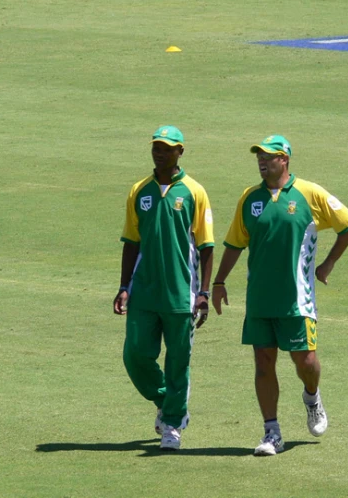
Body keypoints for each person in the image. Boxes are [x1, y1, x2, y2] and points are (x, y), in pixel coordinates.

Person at [212, 135, 348, 456]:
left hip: (298, 300)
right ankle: (271, 432)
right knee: (264, 365)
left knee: (305, 361)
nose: (262, 162)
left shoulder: (309, 193)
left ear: (285, 160)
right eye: (259, 158)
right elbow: (235, 243)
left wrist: (328, 263)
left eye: (269, 157)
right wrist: (219, 282)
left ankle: (312, 396)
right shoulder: (250, 198)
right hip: (260, 301)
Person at [113, 125, 214, 451]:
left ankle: (172, 424)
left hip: (180, 295)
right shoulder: (138, 191)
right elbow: (131, 242)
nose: (160, 151)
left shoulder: (194, 192)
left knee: (177, 363)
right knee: (135, 355)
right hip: (143, 292)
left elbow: (206, 246)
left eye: (167, 147)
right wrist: (124, 286)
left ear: (180, 152)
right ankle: (166, 400)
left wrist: (204, 293)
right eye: (156, 146)